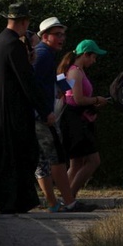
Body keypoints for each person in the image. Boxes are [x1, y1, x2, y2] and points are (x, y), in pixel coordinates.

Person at [0, 3, 52, 214]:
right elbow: (26, 80)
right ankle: (13, 201)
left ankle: (8, 200)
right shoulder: (14, 45)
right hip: (14, 108)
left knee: (6, 154)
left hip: (0, 105)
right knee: (18, 154)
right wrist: (45, 110)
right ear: (24, 22)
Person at [32, 17, 96, 213]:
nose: (62, 38)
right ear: (45, 36)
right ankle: (69, 202)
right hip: (42, 115)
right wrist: (46, 112)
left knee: (43, 161)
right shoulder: (43, 54)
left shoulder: (46, 54)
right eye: (57, 34)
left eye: (63, 34)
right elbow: (33, 85)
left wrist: (58, 89)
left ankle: (54, 204)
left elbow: (44, 82)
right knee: (57, 158)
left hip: (38, 114)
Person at [58, 39, 109, 197]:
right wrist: (96, 100)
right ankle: (70, 197)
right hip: (76, 123)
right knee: (93, 161)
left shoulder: (72, 70)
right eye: (93, 57)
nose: (94, 61)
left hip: (76, 120)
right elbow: (77, 99)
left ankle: (65, 198)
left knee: (76, 163)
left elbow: (67, 96)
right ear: (85, 54)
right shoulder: (75, 71)